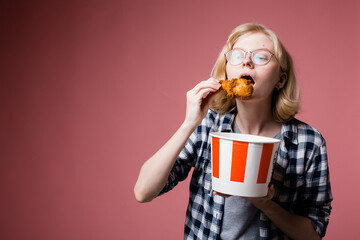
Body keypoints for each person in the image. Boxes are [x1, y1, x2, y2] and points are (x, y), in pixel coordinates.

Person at [134, 23, 332, 240]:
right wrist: (189, 124)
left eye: (260, 57)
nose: (246, 61)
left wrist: (265, 203)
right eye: (237, 56)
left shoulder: (308, 142)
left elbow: (313, 234)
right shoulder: (207, 126)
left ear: (280, 80)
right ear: (227, 71)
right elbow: (143, 192)